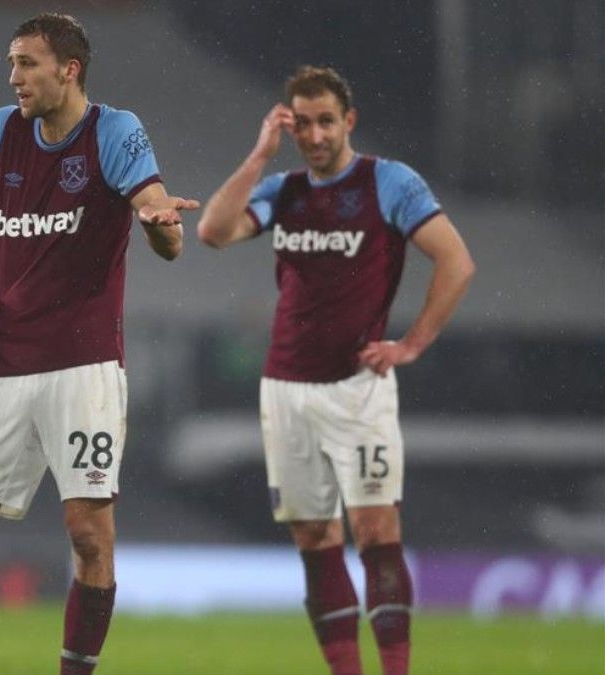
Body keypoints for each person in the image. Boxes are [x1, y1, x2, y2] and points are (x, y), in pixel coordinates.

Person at [0, 14, 199, 675]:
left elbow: (162, 225)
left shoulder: (113, 130)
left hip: (85, 368)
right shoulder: (1, 132)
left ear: (68, 69)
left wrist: (161, 227)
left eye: (26, 63)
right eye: (12, 62)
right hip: (5, 366)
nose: (13, 76)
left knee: (87, 535)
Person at [196, 66, 475, 675]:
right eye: (304, 124)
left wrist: (412, 344)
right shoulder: (284, 189)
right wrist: (258, 155)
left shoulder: (388, 182)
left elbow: (455, 262)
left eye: (327, 121)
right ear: (290, 126)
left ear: (349, 121)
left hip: (358, 390)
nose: (316, 135)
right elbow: (212, 230)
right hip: (286, 391)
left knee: (377, 534)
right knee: (315, 544)